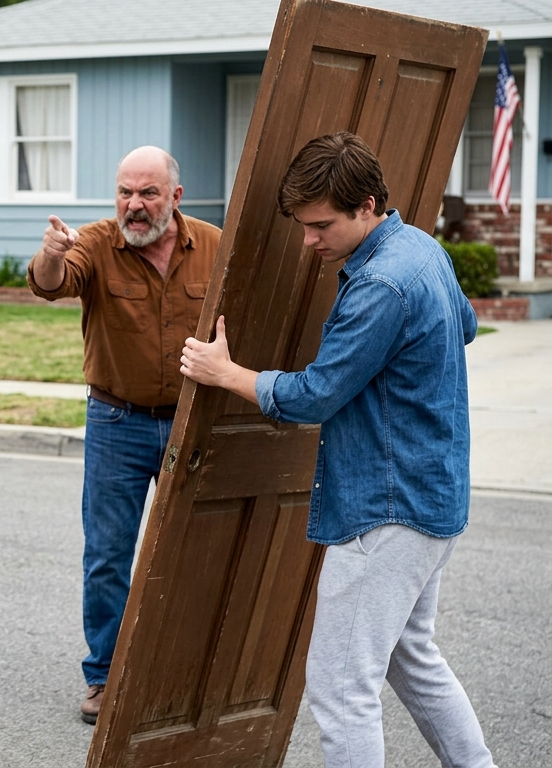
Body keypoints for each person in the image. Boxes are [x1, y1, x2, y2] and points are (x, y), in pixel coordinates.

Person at [179, 132, 495, 767]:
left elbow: (315, 395)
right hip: (430, 495)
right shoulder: (424, 249)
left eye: (320, 226)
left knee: (340, 691)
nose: (308, 241)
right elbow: (464, 324)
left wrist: (226, 373)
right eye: (302, 225)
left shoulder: (382, 283)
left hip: (386, 510)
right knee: (414, 660)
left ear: (368, 204)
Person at [26, 146, 222, 724]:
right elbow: (52, 284)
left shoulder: (212, 246)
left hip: (193, 421)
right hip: (117, 421)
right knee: (109, 555)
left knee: (197, 548)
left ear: (175, 198)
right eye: (125, 193)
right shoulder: (92, 242)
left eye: (148, 193)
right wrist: (49, 255)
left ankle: (187, 670)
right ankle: (105, 677)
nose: (134, 206)